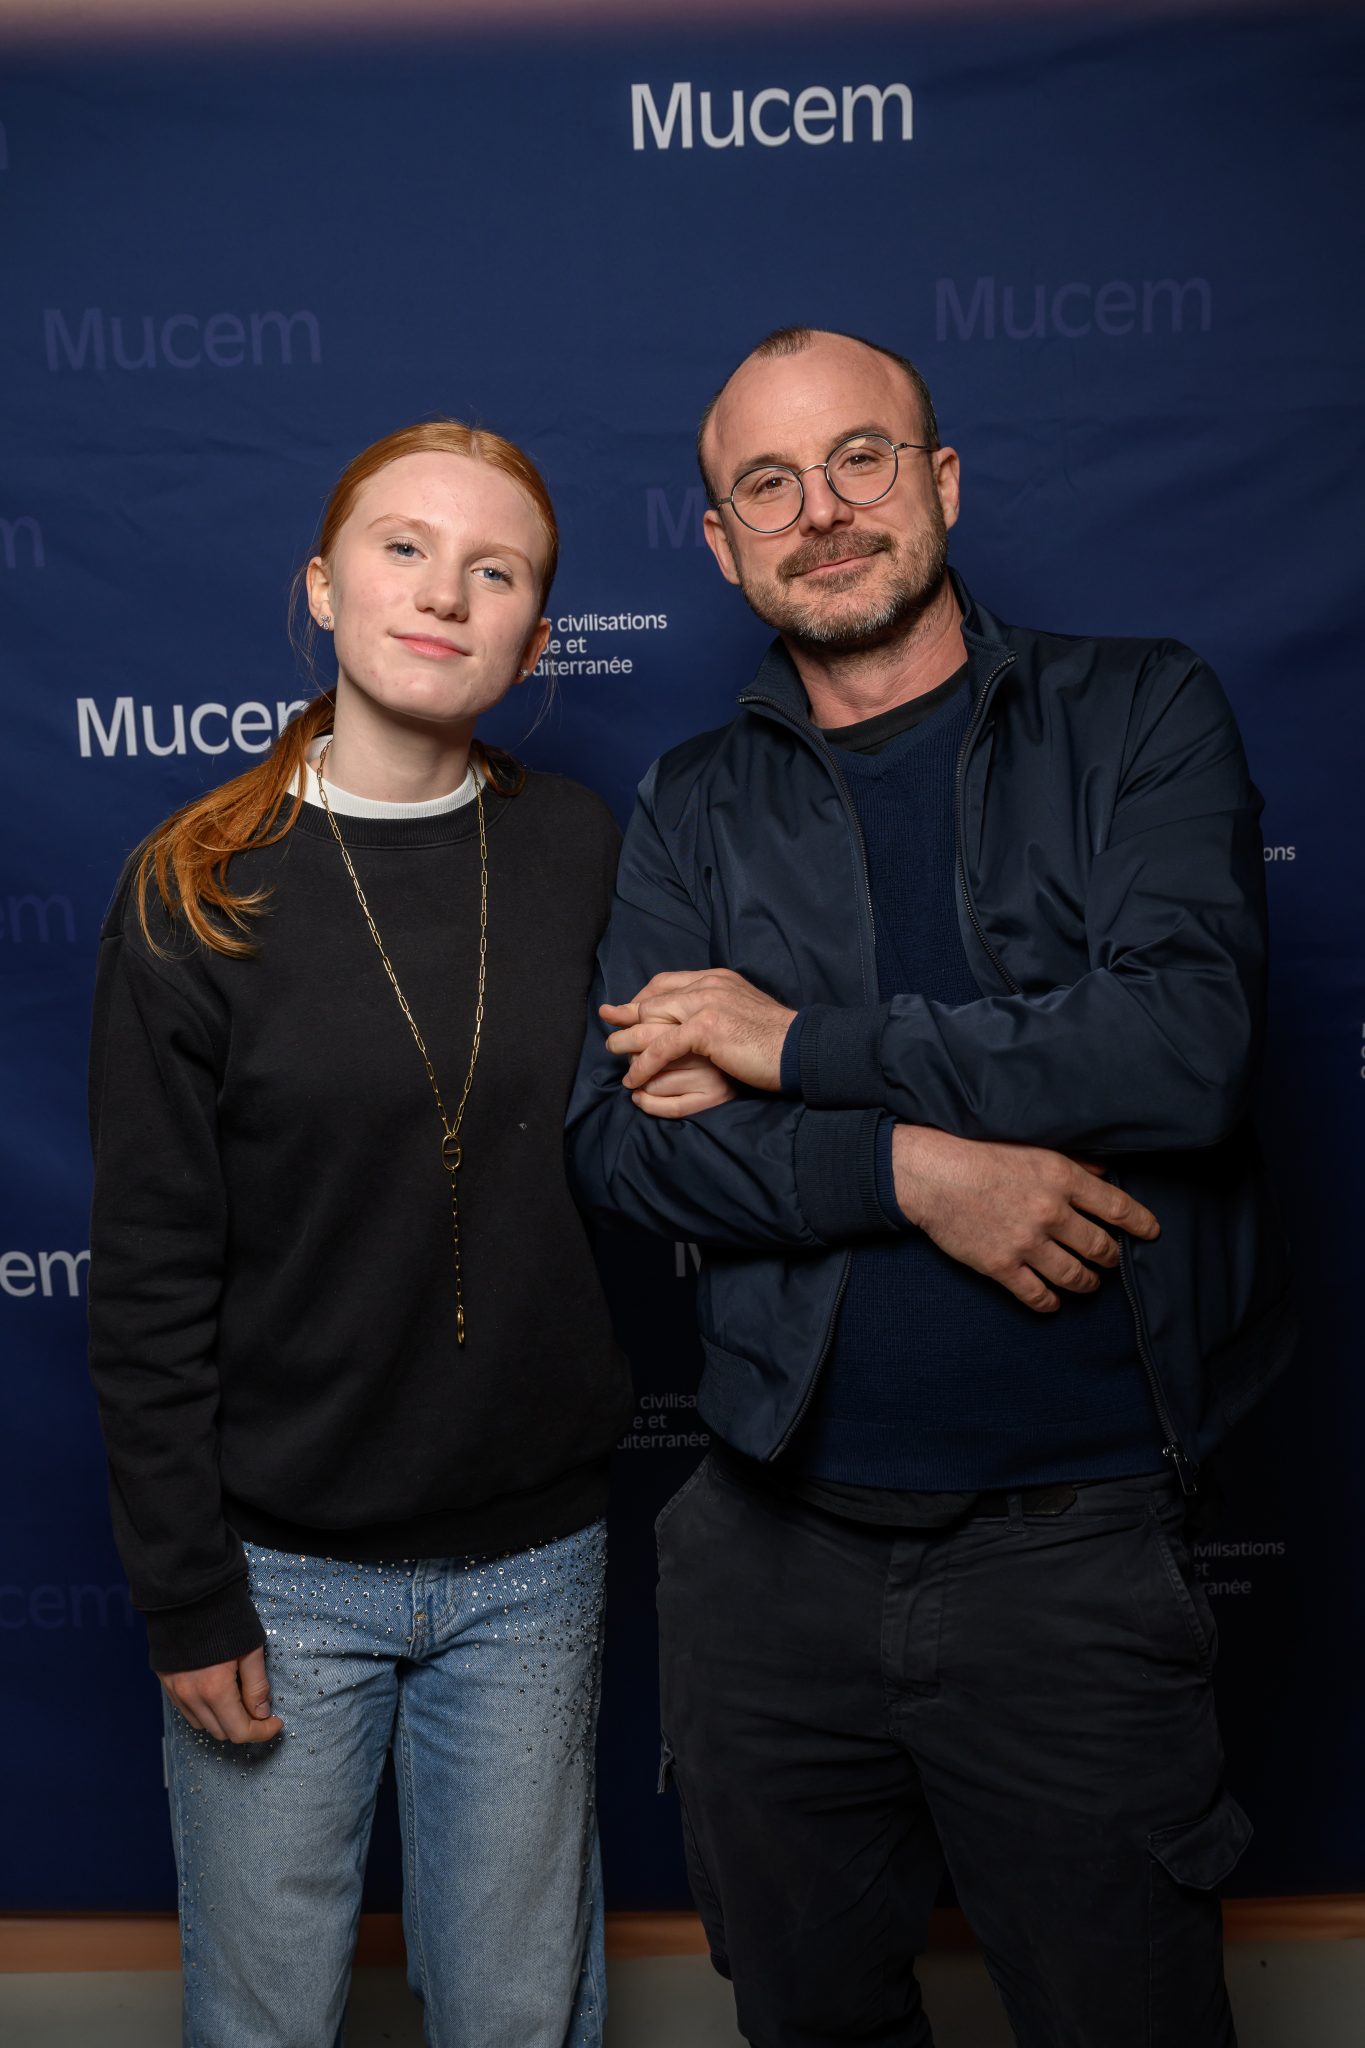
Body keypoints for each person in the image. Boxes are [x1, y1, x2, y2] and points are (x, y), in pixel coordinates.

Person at [567, 329, 1295, 2046]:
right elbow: (622, 1138)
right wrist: (914, 1170)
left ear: (941, 481)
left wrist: (798, 1045)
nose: (819, 513)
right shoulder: (690, 803)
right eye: (766, 485)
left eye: (860, 461)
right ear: (721, 544)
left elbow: (1180, 1049)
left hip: (1077, 1553)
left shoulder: (1136, 711)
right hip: (767, 1558)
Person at [85, 418, 730, 2048]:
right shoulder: (196, 890)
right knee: (267, 2019)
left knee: (520, 2017)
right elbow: (151, 1278)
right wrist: (186, 1593)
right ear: (320, 587)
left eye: (493, 569)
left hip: (532, 1563)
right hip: (278, 1569)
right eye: (401, 548)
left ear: (531, 637)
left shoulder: (587, 845)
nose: (443, 593)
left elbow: (681, 1103)